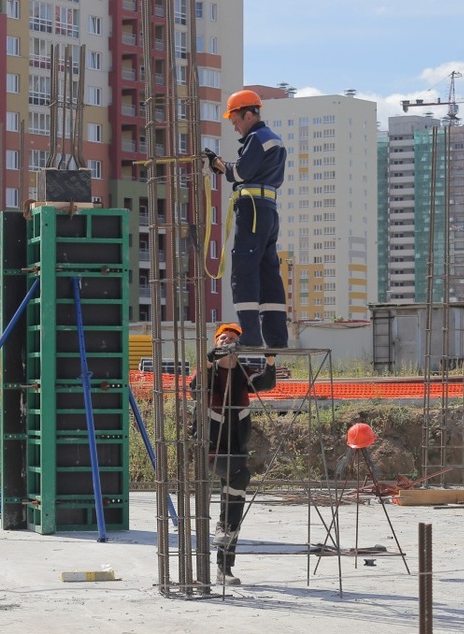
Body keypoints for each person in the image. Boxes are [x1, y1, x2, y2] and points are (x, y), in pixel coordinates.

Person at [190, 322, 277, 585]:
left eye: (232, 339)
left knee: (234, 501)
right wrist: (208, 361)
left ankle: (223, 567)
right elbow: (196, 387)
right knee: (238, 479)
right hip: (211, 447)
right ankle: (222, 533)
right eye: (222, 339)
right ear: (216, 343)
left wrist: (270, 361)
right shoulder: (210, 370)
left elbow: (264, 383)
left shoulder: (241, 372)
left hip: (236, 447)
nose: (227, 342)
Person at [204, 89, 289, 351]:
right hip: (268, 210)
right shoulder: (273, 139)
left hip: (251, 210)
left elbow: (240, 173)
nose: (236, 127)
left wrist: (219, 165)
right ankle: (277, 338)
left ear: (249, 114)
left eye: (236, 121)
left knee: (244, 271)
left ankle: (251, 337)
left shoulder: (256, 137)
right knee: (268, 273)